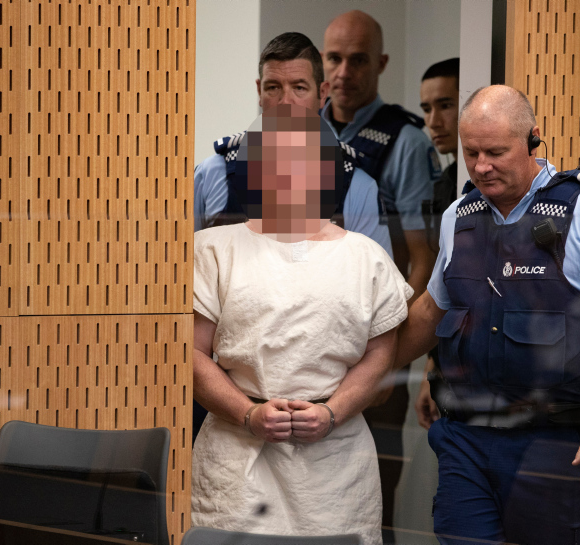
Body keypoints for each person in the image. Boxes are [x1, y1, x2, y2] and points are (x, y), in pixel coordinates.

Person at [394, 85, 580, 544]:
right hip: (466, 439)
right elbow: (431, 312)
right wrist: (362, 371)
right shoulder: (459, 216)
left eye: (496, 152)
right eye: (471, 152)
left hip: (553, 443)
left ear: (533, 139)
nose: (481, 166)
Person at [191, 104, 412, 545]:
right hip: (237, 459)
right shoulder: (213, 250)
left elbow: (380, 356)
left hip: (337, 464)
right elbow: (191, 354)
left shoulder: (365, 257)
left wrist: (332, 413)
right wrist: (249, 414)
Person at [191, 32, 392, 442]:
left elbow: (377, 315)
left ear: (322, 93)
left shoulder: (357, 185)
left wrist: (336, 409)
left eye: (299, 88)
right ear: (258, 91)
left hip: (326, 407)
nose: (285, 102)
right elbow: (184, 285)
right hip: (220, 393)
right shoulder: (213, 172)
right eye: (273, 88)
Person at [321, 13, 439, 537]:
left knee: (370, 490)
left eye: (359, 59)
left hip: (374, 341)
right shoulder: (299, 131)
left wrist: (388, 356)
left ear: (382, 63)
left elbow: (422, 259)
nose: (344, 72)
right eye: (334, 58)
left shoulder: (406, 141)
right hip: (309, 341)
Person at [417, 57, 460, 430]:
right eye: (427, 108)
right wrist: (431, 366)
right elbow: (440, 291)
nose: (433, 121)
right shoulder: (445, 185)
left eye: (445, 105)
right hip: (447, 360)